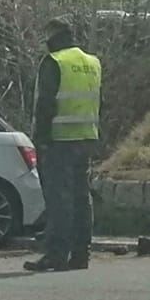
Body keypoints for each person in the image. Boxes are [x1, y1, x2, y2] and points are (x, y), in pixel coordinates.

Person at [25, 17, 102, 273]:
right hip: (86, 137)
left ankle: (56, 255)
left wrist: (40, 139)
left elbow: (45, 105)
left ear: (52, 38)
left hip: (58, 140)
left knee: (59, 200)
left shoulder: (55, 62)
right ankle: (81, 255)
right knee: (82, 198)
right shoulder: (92, 62)